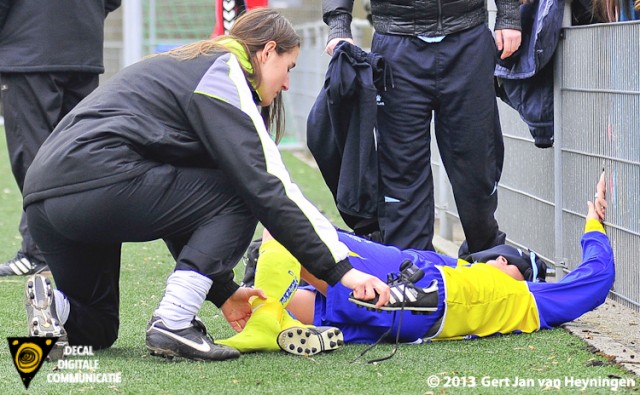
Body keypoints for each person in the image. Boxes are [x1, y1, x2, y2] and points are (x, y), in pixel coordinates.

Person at [21, 8, 390, 363]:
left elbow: (180, 206)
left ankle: (53, 306)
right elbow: (267, 187)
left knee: (98, 327)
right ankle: (174, 320)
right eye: (288, 67)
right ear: (266, 51)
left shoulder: (191, 67)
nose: (288, 83)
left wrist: (224, 292)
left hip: (44, 199)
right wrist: (342, 271)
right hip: (98, 181)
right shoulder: (223, 72)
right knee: (242, 190)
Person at [219, 174, 613, 356]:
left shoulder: (528, 300)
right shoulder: (462, 268)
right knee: (305, 303)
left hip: (422, 299)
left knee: (290, 224)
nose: (498, 258)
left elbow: (596, 280)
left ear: (527, 280)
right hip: (410, 303)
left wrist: (594, 224)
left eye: (512, 263)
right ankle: (274, 323)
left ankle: (265, 319)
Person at [320, 0, 524, 256]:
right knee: (401, 171)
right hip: (397, 41)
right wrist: (339, 25)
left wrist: (508, 16)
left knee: (477, 166)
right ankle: (412, 272)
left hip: (468, 36)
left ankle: (487, 262)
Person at [0, 0, 122, 276]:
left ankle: (39, 252)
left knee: (32, 156)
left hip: (28, 52)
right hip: (83, 53)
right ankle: (80, 248)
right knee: (77, 154)